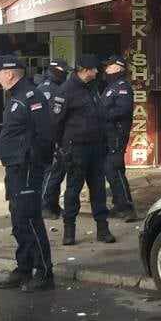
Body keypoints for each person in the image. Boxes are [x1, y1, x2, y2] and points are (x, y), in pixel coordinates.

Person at [0, 56, 57, 292]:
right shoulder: (16, 97)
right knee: (18, 219)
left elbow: (45, 134)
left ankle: (44, 272)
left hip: (27, 167)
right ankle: (23, 268)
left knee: (30, 218)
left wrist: (33, 160)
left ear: (10, 73)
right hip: (15, 168)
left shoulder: (31, 96)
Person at [54, 58, 114, 246]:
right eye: (94, 69)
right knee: (73, 190)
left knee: (98, 190)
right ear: (84, 70)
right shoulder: (66, 90)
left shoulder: (91, 87)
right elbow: (56, 122)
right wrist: (61, 147)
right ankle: (69, 231)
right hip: (76, 149)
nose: (97, 72)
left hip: (95, 148)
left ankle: (103, 230)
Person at [99, 54, 136, 219]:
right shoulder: (110, 86)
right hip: (108, 134)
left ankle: (127, 207)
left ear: (117, 68)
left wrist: (101, 115)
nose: (105, 69)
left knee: (114, 169)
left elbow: (123, 110)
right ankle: (119, 203)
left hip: (116, 134)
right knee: (110, 169)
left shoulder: (122, 86)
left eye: (108, 66)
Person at [36, 59, 71, 217]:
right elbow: (52, 118)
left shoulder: (49, 87)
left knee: (56, 172)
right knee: (52, 172)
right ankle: (45, 206)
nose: (66, 75)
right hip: (51, 138)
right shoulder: (50, 89)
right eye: (64, 72)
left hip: (51, 137)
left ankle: (53, 204)